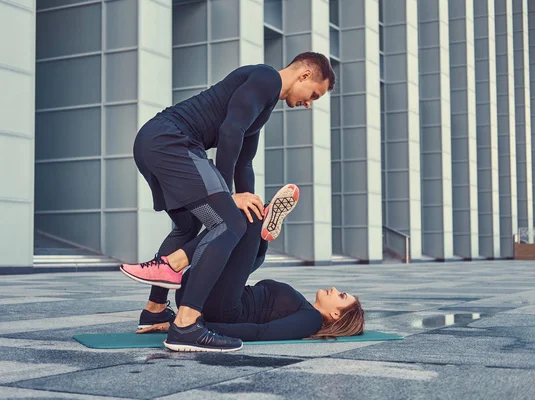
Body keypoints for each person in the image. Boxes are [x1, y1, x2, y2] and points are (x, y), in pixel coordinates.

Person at [120, 52, 337, 352]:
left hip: (153, 142)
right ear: (304, 75)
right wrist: (228, 196)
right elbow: (229, 131)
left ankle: (155, 309)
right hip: (172, 140)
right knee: (227, 221)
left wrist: (255, 213)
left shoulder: (264, 101)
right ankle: (185, 326)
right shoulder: (266, 78)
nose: (309, 103)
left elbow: (244, 163)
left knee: (188, 227)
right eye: (313, 94)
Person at [133, 191, 364, 352]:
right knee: (246, 223)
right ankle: (263, 236)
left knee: (248, 216)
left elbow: (260, 332)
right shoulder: (302, 306)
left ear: (336, 315)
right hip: (200, 294)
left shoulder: (311, 320)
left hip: (220, 309)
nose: (335, 289)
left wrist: (192, 326)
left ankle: (175, 262)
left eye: (341, 296)